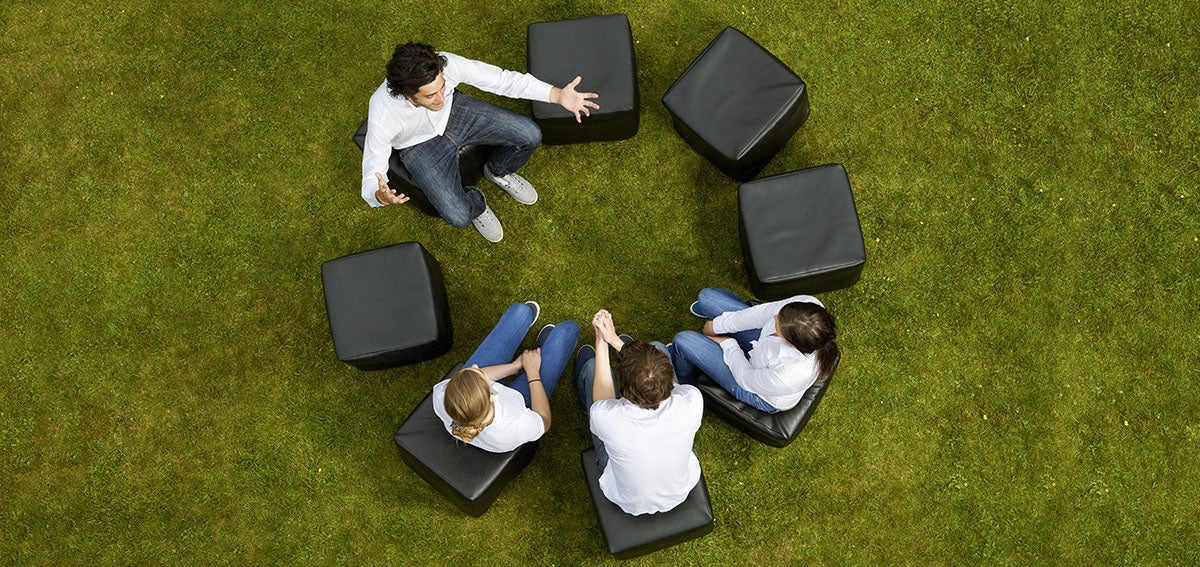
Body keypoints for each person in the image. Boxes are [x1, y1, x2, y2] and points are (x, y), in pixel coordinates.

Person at [360, 42, 600, 242]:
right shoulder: (383, 113)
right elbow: (373, 169)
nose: (440, 97)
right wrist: (380, 196)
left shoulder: (446, 66)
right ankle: (477, 203)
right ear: (407, 94)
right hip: (418, 147)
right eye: (431, 95)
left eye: (442, 87)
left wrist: (557, 95)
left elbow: (502, 80)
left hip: (457, 113)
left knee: (530, 135)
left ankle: (497, 171)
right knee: (458, 216)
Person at [573, 309, 703, 515]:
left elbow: (600, 405)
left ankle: (586, 383)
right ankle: (636, 354)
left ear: (622, 388)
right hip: (679, 488)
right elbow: (665, 380)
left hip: (626, 498)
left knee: (590, 367)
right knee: (659, 347)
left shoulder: (609, 419)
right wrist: (617, 342)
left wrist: (602, 341)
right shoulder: (692, 400)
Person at [431, 301, 580, 452]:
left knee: (520, 311)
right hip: (517, 402)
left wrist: (514, 367)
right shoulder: (516, 425)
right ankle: (541, 351)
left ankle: (540, 351)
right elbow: (544, 421)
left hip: (486, 403)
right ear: (490, 394)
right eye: (477, 373)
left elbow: (475, 376)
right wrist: (532, 371)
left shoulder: (442, 395)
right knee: (568, 330)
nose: (475, 366)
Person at [670, 288, 839, 413]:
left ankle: (684, 384)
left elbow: (745, 377)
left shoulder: (787, 375)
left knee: (683, 340)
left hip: (758, 390)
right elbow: (759, 314)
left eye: (777, 325)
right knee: (706, 297)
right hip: (759, 351)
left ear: (791, 343)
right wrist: (716, 325)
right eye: (780, 315)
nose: (774, 318)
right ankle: (708, 323)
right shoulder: (807, 306)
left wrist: (728, 343)